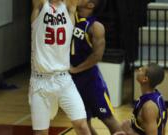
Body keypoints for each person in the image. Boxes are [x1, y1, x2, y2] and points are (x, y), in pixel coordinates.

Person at [30, 0, 92, 135]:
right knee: (41, 133)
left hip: (64, 80)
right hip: (40, 82)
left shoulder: (69, 7)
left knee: (82, 125)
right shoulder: (40, 6)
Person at [70, 0, 124, 134]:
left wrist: (76, 69)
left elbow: (97, 56)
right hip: (73, 81)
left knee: (108, 118)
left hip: (91, 80)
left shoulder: (96, 27)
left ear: (90, 5)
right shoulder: (70, 15)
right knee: (83, 122)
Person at [114, 63, 168, 135]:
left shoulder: (149, 107)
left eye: (142, 70)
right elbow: (162, 127)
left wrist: (129, 132)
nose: (139, 69)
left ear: (145, 79)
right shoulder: (158, 96)